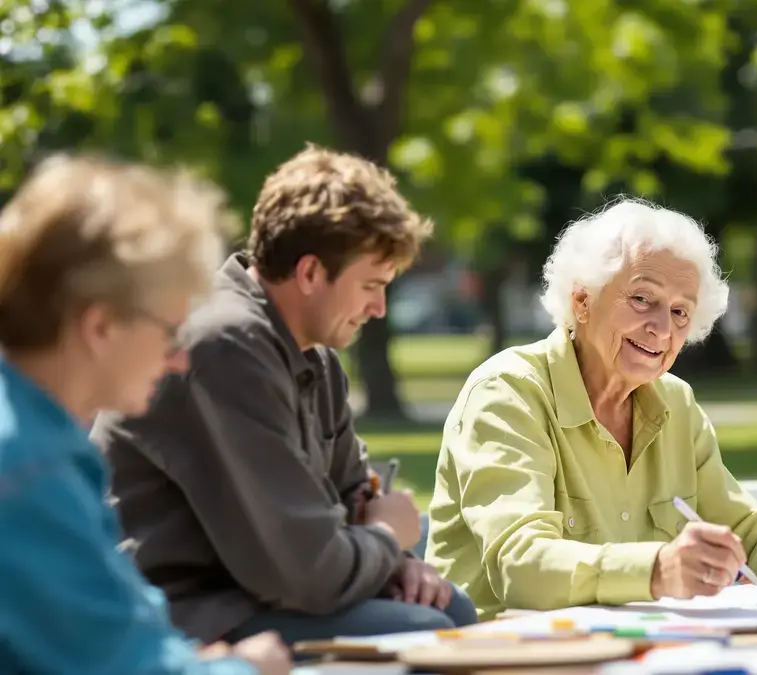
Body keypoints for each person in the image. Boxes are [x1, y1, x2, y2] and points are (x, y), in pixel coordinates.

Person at [90, 145, 476, 647]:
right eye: (371, 286)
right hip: (179, 610)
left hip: (254, 592)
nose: (379, 308)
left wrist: (399, 564)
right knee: (425, 633)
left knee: (450, 606)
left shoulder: (311, 353)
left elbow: (353, 498)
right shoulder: (225, 346)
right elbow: (311, 573)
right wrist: (387, 539)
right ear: (311, 273)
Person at [425, 198, 757, 621]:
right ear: (582, 301)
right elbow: (522, 566)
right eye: (641, 299)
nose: (662, 328)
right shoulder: (507, 394)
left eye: (680, 311)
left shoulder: (675, 402)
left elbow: (744, 525)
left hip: (632, 650)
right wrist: (657, 570)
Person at [0, 156, 291, 674]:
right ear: (100, 326)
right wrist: (248, 669)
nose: (181, 358)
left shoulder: (33, 444)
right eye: (171, 329)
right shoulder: (29, 471)